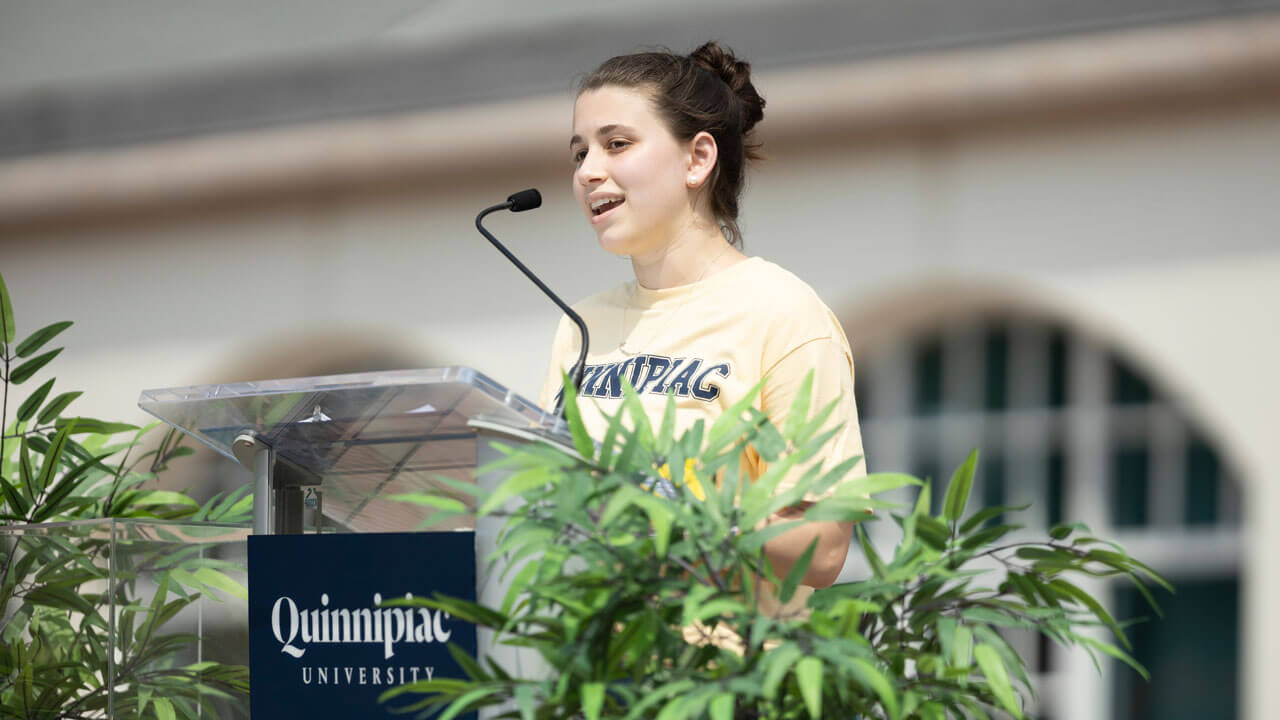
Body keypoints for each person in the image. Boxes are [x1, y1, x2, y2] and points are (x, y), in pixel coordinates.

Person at [537, 41, 866, 639]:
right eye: (580, 152)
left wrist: (671, 512)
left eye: (616, 144)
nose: (587, 171)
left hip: (720, 675)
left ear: (698, 159)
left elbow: (823, 548)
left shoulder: (782, 311)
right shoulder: (578, 326)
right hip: (587, 674)